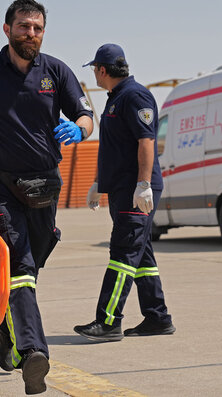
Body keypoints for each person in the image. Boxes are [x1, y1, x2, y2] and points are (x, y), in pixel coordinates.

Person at [0, 0, 93, 395]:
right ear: (7, 29)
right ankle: (33, 353)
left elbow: (85, 114)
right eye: (24, 26)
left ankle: (7, 336)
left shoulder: (56, 71)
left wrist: (79, 128)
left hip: (44, 183)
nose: (31, 34)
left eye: (38, 28)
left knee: (34, 259)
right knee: (18, 261)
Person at [73, 44, 174, 341]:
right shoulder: (116, 98)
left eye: (94, 69)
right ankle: (157, 318)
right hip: (121, 189)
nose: (93, 73)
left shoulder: (135, 96)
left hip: (135, 190)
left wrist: (143, 184)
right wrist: (98, 183)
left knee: (122, 255)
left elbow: (146, 141)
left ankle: (108, 322)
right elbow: (114, 149)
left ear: (103, 70)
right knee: (141, 257)